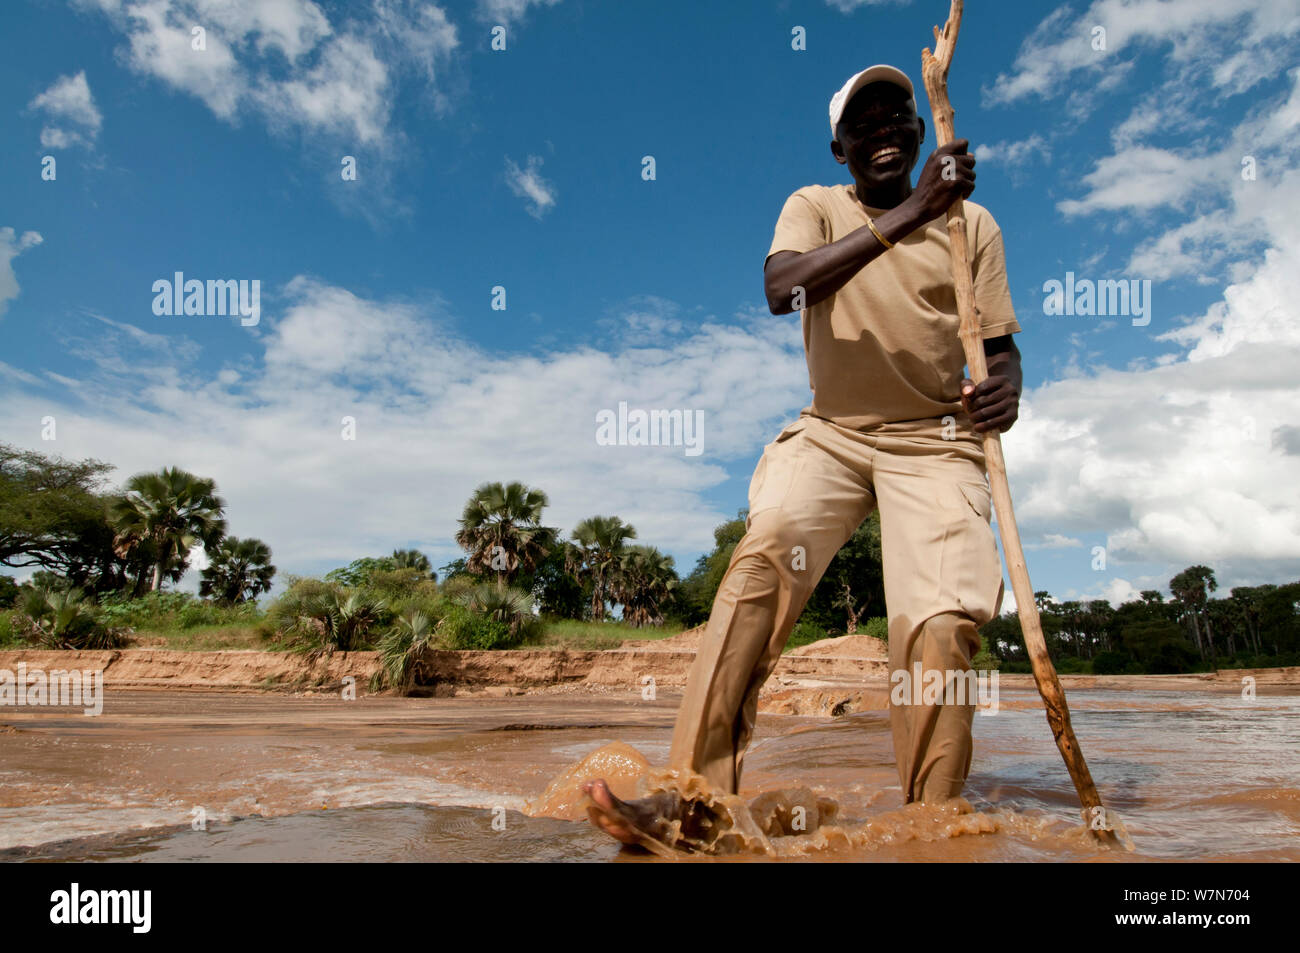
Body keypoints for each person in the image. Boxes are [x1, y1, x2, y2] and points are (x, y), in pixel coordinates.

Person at [583, 64, 1023, 850]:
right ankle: (691, 803)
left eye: (899, 115)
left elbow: (999, 348)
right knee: (761, 565)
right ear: (840, 150)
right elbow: (782, 289)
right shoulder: (815, 206)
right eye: (866, 122)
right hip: (831, 431)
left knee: (942, 620)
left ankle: (930, 824)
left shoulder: (974, 226)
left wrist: (1007, 392)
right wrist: (917, 206)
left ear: (923, 133)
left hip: (934, 440)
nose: (885, 128)